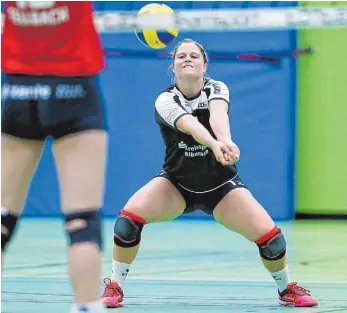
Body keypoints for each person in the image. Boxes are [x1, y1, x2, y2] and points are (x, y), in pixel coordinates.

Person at [99, 38, 318, 309]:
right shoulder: (165, 100)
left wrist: (226, 141)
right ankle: (115, 286)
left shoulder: (217, 88)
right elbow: (190, 125)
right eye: (181, 56)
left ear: (205, 65)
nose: (188, 59)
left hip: (221, 187)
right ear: (174, 66)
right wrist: (214, 144)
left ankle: (286, 289)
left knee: (273, 241)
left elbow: (217, 116)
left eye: (194, 55)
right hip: (176, 185)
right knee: (127, 222)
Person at [1, 2, 108, 313]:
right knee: (82, 220)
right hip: (74, 90)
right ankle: (86, 306)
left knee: (2, 220)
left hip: (18, 91)